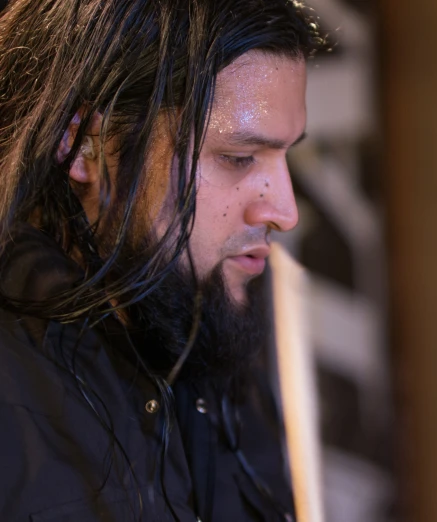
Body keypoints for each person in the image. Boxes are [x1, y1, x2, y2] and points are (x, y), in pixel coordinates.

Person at [0, 0, 324, 520]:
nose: (285, 211)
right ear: (83, 144)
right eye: (238, 158)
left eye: (287, 156)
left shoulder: (212, 330)